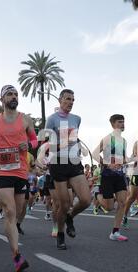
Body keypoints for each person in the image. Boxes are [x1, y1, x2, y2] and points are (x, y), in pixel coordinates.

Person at [0, 84, 35, 272]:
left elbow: (35, 141)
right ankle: (17, 256)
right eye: (9, 94)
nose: (13, 97)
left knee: (19, 211)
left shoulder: (26, 119)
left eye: (15, 94)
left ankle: (15, 248)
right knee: (10, 211)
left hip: (20, 170)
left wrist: (27, 144)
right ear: (2, 99)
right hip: (2, 171)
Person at [44, 89, 92, 250]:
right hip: (58, 164)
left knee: (86, 200)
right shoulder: (51, 120)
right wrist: (60, 144)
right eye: (67, 99)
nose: (70, 102)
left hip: (74, 162)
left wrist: (75, 146)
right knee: (64, 204)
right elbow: (46, 144)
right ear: (60, 100)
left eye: (73, 99)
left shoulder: (76, 119)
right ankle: (60, 234)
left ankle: (70, 217)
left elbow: (75, 140)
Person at [92, 114, 129, 241]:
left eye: (123, 122)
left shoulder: (124, 141)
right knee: (109, 207)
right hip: (107, 175)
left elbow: (124, 158)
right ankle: (97, 195)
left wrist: (129, 160)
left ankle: (115, 232)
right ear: (113, 124)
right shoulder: (107, 138)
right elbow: (95, 153)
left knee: (123, 202)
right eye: (119, 122)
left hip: (119, 175)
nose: (122, 124)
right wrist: (106, 164)